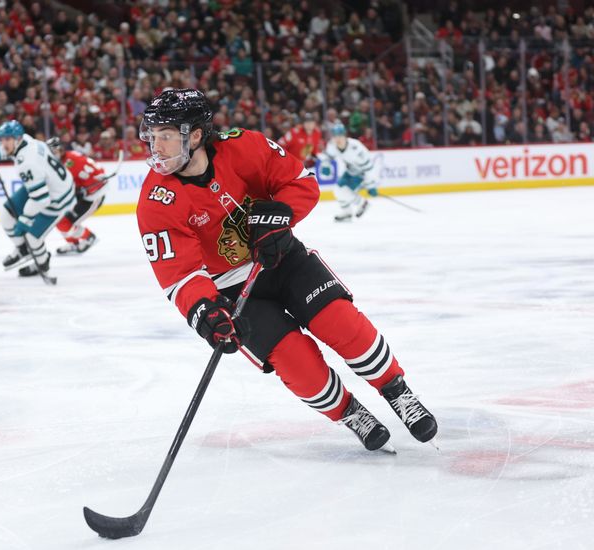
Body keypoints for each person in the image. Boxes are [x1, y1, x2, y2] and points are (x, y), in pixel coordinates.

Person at [136, 89, 437, 451]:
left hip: (283, 259)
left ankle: (396, 390)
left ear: (196, 135)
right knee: (296, 362)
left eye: (165, 135)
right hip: (231, 287)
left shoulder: (244, 147)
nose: (156, 146)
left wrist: (281, 216)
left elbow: (300, 182)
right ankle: (350, 412)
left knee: (342, 323)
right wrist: (205, 309)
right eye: (152, 136)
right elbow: (180, 273)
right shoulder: (156, 201)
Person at [0, 120, 76, 278]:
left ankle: (42, 263)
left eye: (7, 139)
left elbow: (41, 199)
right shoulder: (26, 139)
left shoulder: (26, 164)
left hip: (57, 197)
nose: (3, 143)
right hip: (45, 182)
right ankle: (23, 249)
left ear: (16, 138)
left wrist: (25, 219)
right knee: (6, 215)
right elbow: (18, 150)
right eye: (2, 139)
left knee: (32, 236)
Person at [47, 138, 110, 254]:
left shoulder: (71, 161)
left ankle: (89, 237)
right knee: (60, 220)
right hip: (84, 195)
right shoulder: (65, 160)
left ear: (60, 149)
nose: (52, 154)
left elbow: (100, 178)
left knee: (67, 222)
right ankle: (73, 243)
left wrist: (85, 190)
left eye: (54, 151)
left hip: (93, 197)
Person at [320, 121, 378, 222]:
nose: (337, 139)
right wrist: (325, 166)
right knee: (338, 190)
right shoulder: (332, 145)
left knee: (343, 191)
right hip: (350, 172)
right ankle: (347, 213)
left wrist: (370, 185)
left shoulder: (356, 148)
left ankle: (362, 203)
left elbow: (369, 168)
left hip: (362, 174)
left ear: (345, 136)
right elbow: (327, 157)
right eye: (335, 136)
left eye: (340, 136)